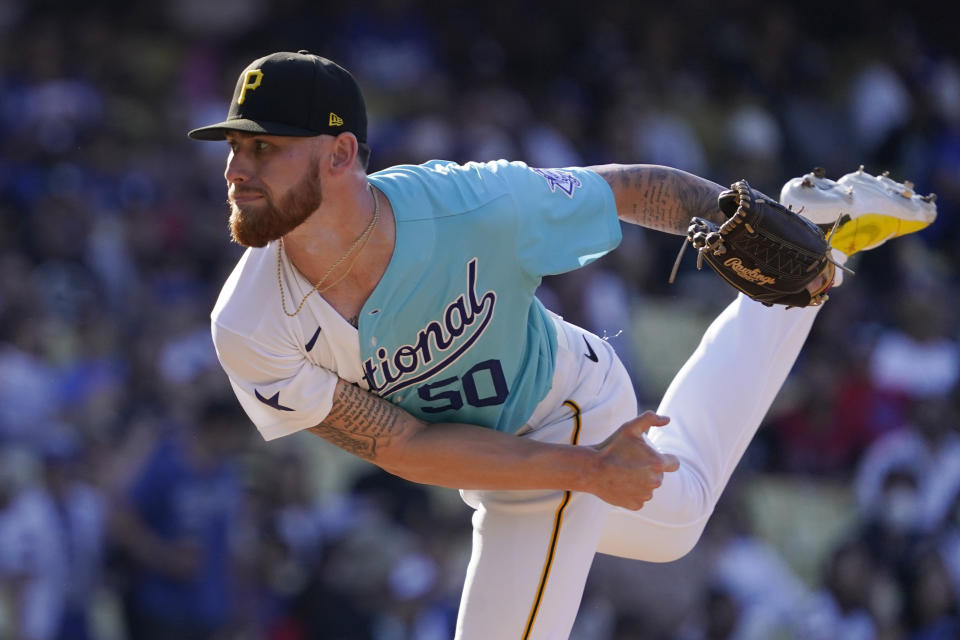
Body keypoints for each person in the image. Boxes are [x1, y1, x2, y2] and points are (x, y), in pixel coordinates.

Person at [187, 50, 929, 639]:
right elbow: (405, 445)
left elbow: (630, 189)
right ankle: (819, 238)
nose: (236, 170)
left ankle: (800, 244)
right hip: (509, 456)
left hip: (564, 403)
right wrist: (588, 472)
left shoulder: (472, 206)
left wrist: (740, 219)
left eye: (265, 148)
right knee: (678, 518)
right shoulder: (250, 326)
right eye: (233, 149)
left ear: (341, 153)